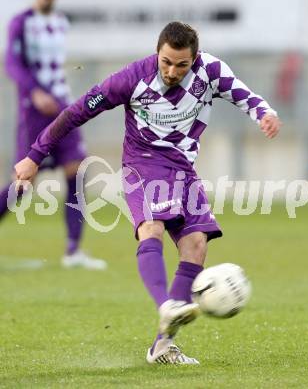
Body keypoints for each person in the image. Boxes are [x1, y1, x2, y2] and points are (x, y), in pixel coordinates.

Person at [14, 22, 281, 364]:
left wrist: (266, 113)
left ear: (194, 59)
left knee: (196, 245)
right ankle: (166, 305)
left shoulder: (211, 71)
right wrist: (35, 155)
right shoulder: (132, 78)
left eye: (181, 64)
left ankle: (164, 345)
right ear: (158, 52)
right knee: (151, 229)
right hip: (144, 164)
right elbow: (76, 112)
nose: (172, 71)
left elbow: (245, 95)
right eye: (166, 61)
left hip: (184, 168)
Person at [0, 0, 106, 270]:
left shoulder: (60, 21)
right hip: (33, 111)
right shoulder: (21, 22)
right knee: (23, 183)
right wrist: (34, 91)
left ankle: (73, 250)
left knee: (77, 169)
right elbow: (12, 63)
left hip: (61, 107)